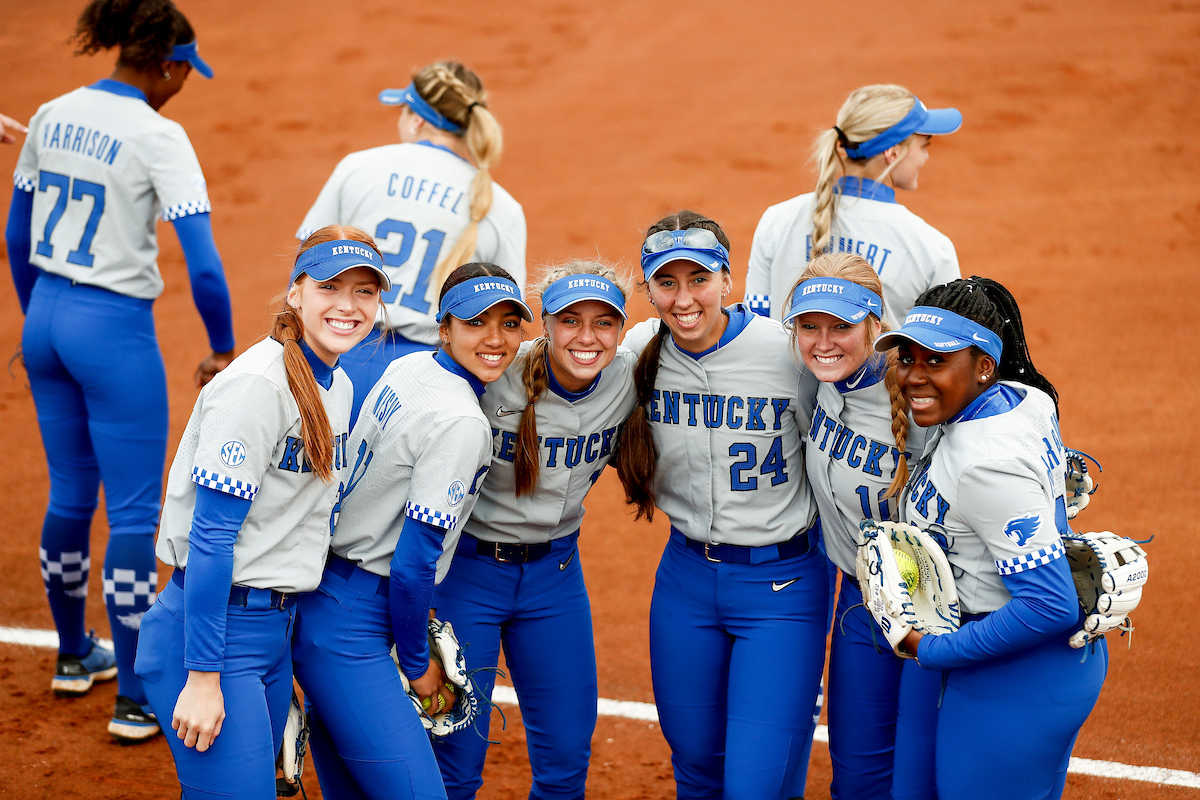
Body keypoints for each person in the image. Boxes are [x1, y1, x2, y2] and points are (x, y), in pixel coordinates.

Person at [5, 0, 234, 743]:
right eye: (186, 73)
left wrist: (39, 319)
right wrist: (222, 346)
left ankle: (74, 654)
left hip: (45, 316)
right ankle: (135, 697)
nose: (184, 85)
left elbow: (15, 233)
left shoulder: (51, 112)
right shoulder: (159, 135)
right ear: (167, 64)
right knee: (134, 515)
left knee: (70, 494)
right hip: (113, 332)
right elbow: (204, 266)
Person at [134, 227, 386, 798]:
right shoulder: (256, 386)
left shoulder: (338, 386)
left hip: (271, 634)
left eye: (365, 291)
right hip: (212, 638)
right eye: (329, 287)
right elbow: (211, 536)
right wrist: (203, 677)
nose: (348, 305)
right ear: (295, 292)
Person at [291, 263, 529, 800]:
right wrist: (418, 665)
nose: (495, 339)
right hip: (354, 627)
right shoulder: (462, 422)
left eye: (509, 323)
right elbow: (415, 561)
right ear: (444, 327)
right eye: (475, 323)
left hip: (326, 597)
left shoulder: (411, 366)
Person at [618, 211, 827, 800]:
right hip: (684, 582)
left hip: (783, 589)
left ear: (728, 281)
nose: (684, 299)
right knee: (695, 768)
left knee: (755, 785)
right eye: (667, 282)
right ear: (649, 290)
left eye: (699, 279)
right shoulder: (637, 351)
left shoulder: (788, 353)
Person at [873, 276, 1106, 800]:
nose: (913, 376)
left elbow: (1050, 605)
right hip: (1012, 660)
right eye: (907, 358)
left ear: (983, 367)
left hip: (1017, 675)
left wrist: (934, 649)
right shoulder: (1023, 396)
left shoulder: (986, 464)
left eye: (936, 360)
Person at [432, 261, 638, 800]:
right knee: (454, 762)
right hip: (466, 576)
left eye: (604, 322)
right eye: (570, 320)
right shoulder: (489, 374)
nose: (587, 337)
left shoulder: (629, 374)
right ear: (544, 324)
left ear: (622, 329)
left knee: (566, 759)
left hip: (555, 579)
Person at [782, 253, 941, 800]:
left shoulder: (924, 399)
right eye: (809, 327)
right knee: (856, 779)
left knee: (921, 778)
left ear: (875, 324)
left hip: (939, 611)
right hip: (861, 604)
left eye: (841, 327)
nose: (824, 342)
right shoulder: (820, 381)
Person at [296, 61, 527, 425]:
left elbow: (304, 273)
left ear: (417, 119)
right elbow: (502, 313)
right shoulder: (503, 207)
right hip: (430, 383)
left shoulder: (358, 168)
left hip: (334, 360)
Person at [745, 84, 962, 328]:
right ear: (893, 152)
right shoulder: (931, 248)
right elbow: (943, 345)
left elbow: (754, 324)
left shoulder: (776, 220)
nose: (925, 157)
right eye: (924, 146)